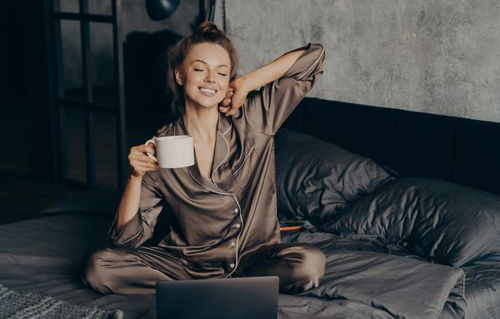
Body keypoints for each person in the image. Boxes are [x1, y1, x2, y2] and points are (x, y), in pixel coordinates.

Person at [83, 21, 326, 295]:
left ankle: (208, 291)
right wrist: (135, 178)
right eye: (200, 69)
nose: (211, 79)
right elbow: (127, 241)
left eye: (221, 73)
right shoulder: (160, 147)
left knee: (308, 264)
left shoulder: (254, 119)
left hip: (253, 259)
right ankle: (215, 289)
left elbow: (313, 57)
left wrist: (246, 82)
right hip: (186, 264)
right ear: (179, 75)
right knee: (98, 267)